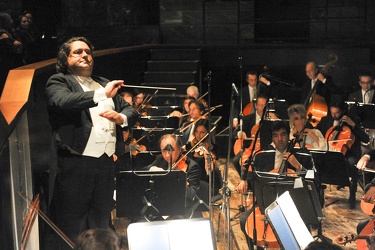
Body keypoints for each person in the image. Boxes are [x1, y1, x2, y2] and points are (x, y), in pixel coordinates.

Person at [45, 37, 138, 249]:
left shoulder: (103, 82)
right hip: (75, 164)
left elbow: (131, 111)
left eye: (88, 51)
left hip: (104, 164)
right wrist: (101, 94)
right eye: (78, 52)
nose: (85, 55)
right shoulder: (58, 81)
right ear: (65, 58)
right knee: (72, 225)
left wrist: (120, 118)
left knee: (101, 222)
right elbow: (62, 101)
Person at [239, 121, 309, 249]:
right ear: (272, 138)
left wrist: (297, 166)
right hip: (267, 202)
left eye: (283, 134)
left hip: (294, 204)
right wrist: (244, 182)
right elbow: (253, 180)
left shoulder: (302, 155)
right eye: (276, 135)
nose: (280, 139)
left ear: (289, 136)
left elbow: (313, 177)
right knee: (245, 220)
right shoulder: (262, 156)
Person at [316, 95, 369, 208]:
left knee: (351, 162)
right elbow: (318, 133)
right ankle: (318, 193)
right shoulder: (326, 120)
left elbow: (366, 138)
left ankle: (352, 195)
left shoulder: (352, 120)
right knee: (317, 159)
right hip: (330, 151)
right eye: (332, 112)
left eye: (337, 113)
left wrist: (353, 125)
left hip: (348, 153)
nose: (334, 115)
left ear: (343, 111)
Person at [232, 94, 279, 194]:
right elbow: (235, 132)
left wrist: (275, 119)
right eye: (260, 105)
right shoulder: (248, 119)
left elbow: (280, 128)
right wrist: (240, 133)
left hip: (266, 147)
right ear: (256, 106)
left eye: (264, 105)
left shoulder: (271, 119)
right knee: (236, 161)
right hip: (251, 147)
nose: (262, 108)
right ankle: (245, 182)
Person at [144, 134, 201, 208]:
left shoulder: (192, 167)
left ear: (180, 149)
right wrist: (151, 170)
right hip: (160, 204)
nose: (167, 155)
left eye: (170, 150)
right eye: (164, 151)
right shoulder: (160, 159)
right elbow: (144, 171)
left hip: (179, 208)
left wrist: (178, 179)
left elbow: (192, 196)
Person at [184, 119, 222, 195]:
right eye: (196, 131)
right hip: (193, 180)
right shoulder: (190, 146)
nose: (198, 135)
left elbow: (209, 170)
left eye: (202, 132)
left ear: (208, 133)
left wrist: (206, 155)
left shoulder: (213, 148)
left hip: (206, 184)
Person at [0, 12, 23, 91]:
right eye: (9, 19)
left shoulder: (5, 33)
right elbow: (12, 50)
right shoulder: (4, 34)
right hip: (6, 64)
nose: (12, 21)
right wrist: (18, 46)